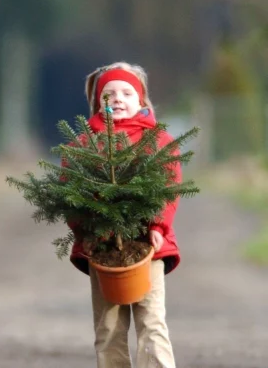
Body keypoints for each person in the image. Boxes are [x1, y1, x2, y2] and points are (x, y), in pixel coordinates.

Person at [71, 62, 181, 368]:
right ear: (97, 103)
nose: (118, 99)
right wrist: (87, 231)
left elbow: (168, 186)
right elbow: (71, 194)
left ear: (141, 101)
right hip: (103, 249)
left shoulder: (156, 141)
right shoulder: (85, 144)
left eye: (126, 92)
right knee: (108, 328)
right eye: (109, 94)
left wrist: (158, 225)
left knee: (152, 322)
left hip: (148, 246)